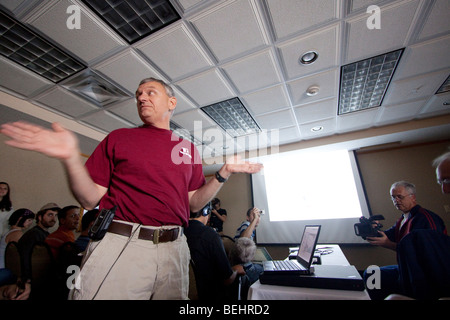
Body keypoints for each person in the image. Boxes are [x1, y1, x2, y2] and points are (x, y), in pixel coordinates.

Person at [1, 77, 263, 300]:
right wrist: (70, 157)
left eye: (151, 92)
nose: (141, 98)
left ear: (171, 103)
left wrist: (224, 173)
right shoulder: (119, 138)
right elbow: (90, 199)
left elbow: (194, 203)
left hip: (175, 248)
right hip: (123, 245)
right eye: (138, 95)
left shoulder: (187, 149)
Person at [364, 181, 447, 300]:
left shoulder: (426, 218)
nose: (396, 200)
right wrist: (372, 229)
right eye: (393, 197)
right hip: (405, 268)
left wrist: (389, 244)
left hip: (423, 273)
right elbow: (387, 236)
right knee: (372, 273)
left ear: (412, 197)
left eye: (400, 197)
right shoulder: (402, 219)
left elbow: (430, 254)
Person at [185, 203, 245, 301]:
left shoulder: (178, 233)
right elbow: (227, 279)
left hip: (185, 292)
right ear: (206, 212)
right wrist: (235, 270)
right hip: (210, 294)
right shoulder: (209, 235)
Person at [17, 203, 59, 285]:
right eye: (50, 215)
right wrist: (27, 280)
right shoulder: (34, 234)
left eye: (56, 215)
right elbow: (25, 257)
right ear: (40, 217)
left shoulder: (46, 234)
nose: (54, 219)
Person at [0, 208, 35, 286]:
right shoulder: (17, 234)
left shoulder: (9, 232)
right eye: (29, 220)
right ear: (20, 219)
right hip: (3, 270)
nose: (31, 223)